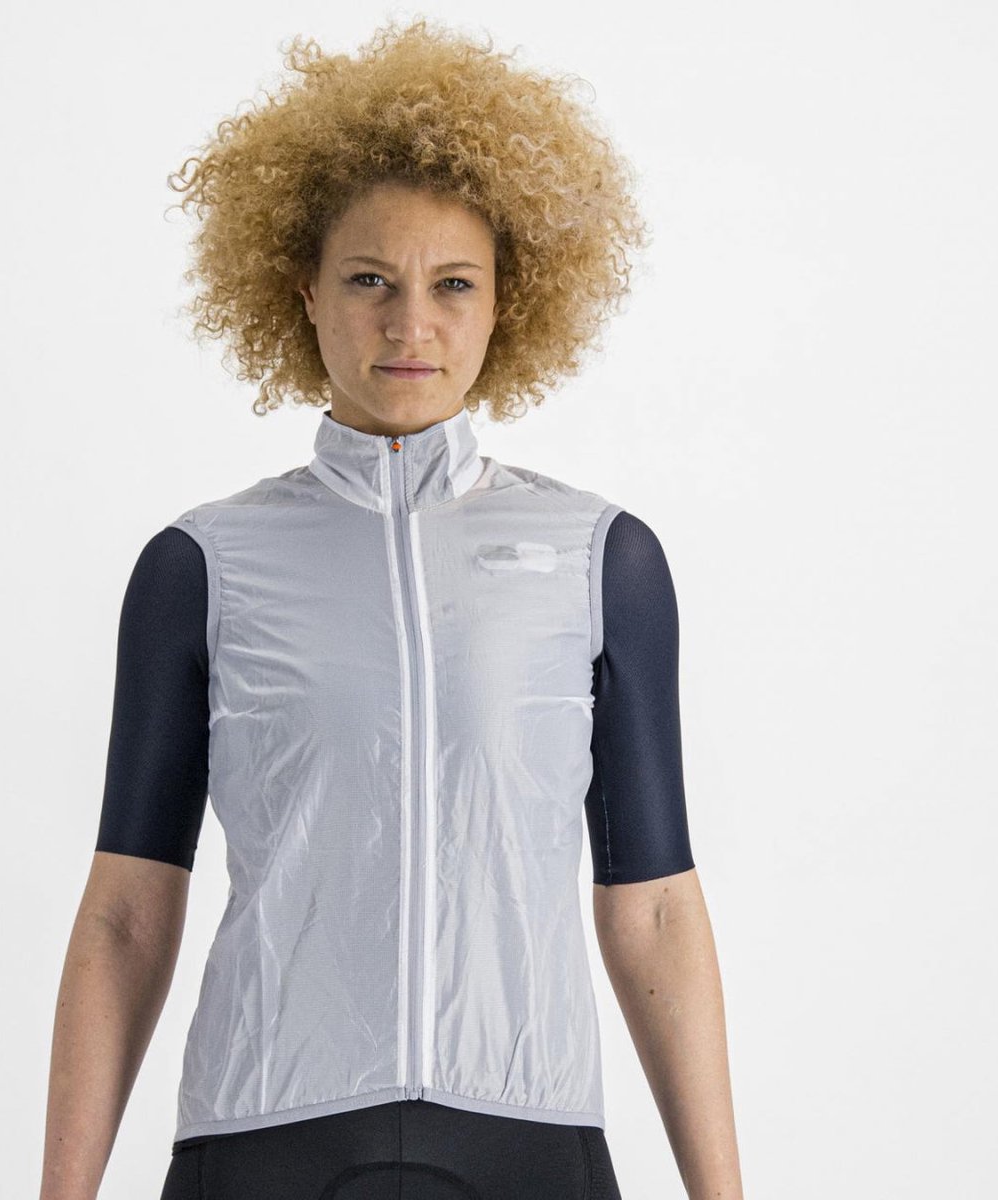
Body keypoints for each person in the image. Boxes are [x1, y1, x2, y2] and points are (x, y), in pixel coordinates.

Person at [39, 17, 743, 1200]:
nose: (410, 325)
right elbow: (125, 914)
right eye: (369, 280)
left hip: (528, 1147)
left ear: (508, 300)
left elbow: (658, 909)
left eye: (452, 284)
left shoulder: (599, 558)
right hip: (263, 1144)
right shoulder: (201, 566)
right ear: (303, 290)